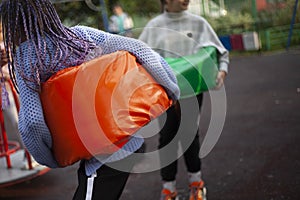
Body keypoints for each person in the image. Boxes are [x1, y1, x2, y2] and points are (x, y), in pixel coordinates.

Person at [0, 0, 180, 199]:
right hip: (130, 140)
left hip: (104, 158)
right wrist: (171, 89)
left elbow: (32, 122)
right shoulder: (80, 35)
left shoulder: (26, 57)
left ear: (12, 24)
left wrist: (50, 159)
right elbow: (142, 50)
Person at [138, 0, 229, 199]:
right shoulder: (154, 26)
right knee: (167, 135)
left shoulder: (199, 23)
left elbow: (220, 52)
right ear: (167, 1)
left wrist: (222, 70)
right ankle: (168, 188)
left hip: (192, 90)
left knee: (189, 133)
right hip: (165, 93)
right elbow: (140, 57)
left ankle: (196, 182)